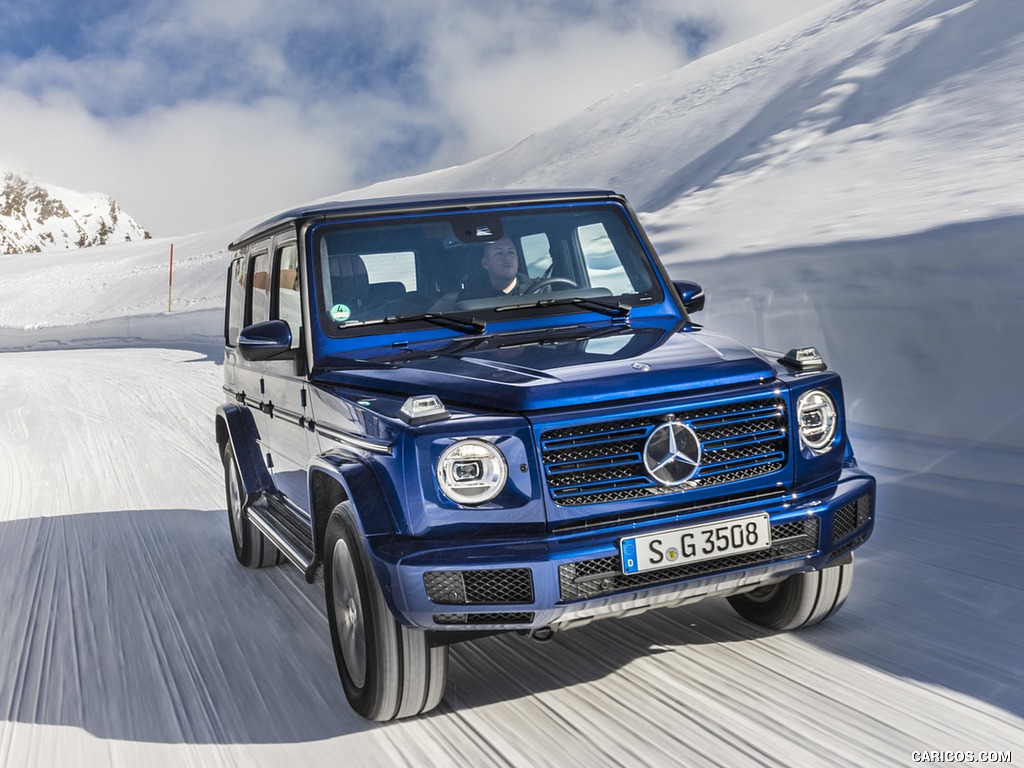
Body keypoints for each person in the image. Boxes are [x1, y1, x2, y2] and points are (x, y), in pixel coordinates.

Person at [457, 237, 529, 301]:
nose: (507, 258)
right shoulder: (471, 300)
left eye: (511, 252)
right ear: (485, 263)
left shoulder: (538, 291)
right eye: (499, 253)